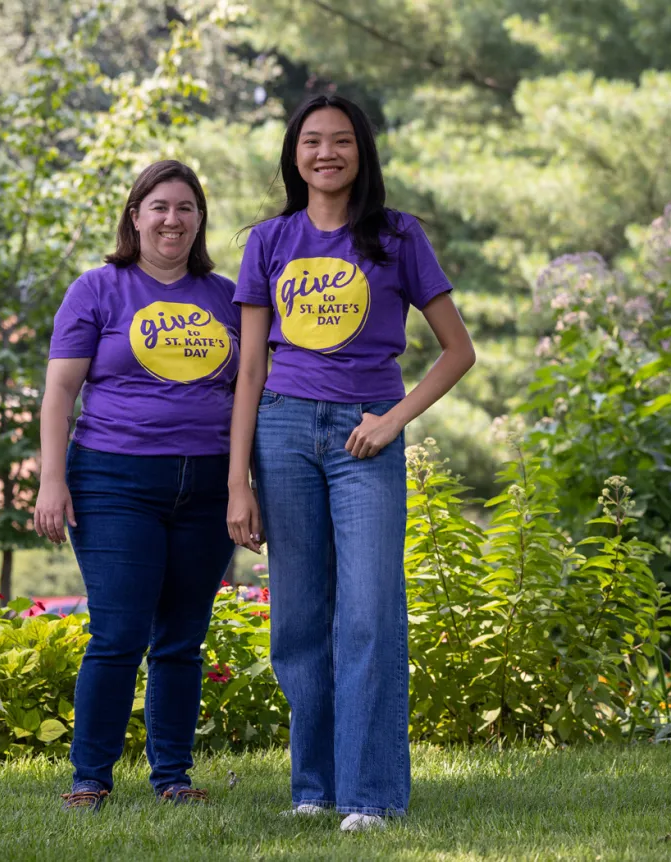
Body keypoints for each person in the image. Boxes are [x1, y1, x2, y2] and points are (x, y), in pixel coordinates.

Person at [226, 94, 476, 832]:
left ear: (360, 152)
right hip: (281, 431)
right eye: (311, 141)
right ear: (293, 154)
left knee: (369, 612)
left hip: (364, 437)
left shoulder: (397, 237)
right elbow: (247, 371)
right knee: (300, 617)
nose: (325, 153)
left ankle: (371, 795)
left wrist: (393, 420)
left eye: (340, 141)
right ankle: (313, 788)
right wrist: (237, 480)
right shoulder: (269, 241)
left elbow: (458, 351)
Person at [33, 159, 240, 813]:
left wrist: (245, 486)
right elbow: (60, 392)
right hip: (114, 480)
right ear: (135, 216)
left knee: (182, 637)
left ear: (199, 219)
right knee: (118, 633)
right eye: (159, 207)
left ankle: (173, 778)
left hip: (208, 484)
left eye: (185, 207)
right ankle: (90, 779)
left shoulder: (229, 297)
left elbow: (250, 396)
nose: (172, 219)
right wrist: (50, 479)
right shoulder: (97, 289)